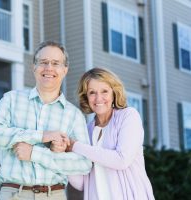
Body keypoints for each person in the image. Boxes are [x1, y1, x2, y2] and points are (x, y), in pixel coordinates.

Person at [0, 41, 92, 200]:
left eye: (56, 63)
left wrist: (35, 153)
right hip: (14, 194)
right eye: (43, 62)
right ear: (34, 67)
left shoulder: (74, 115)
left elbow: (84, 163)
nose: (49, 67)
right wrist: (41, 136)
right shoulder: (11, 99)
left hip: (54, 195)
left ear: (65, 70)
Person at [51, 67, 155, 200]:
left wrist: (75, 146)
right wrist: (63, 153)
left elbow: (121, 160)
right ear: (86, 97)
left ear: (114, 93)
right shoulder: (86, 130)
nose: (98, 98)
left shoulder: (128, 116)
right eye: (92, 92)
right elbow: (82, 183)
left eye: (104, 91)